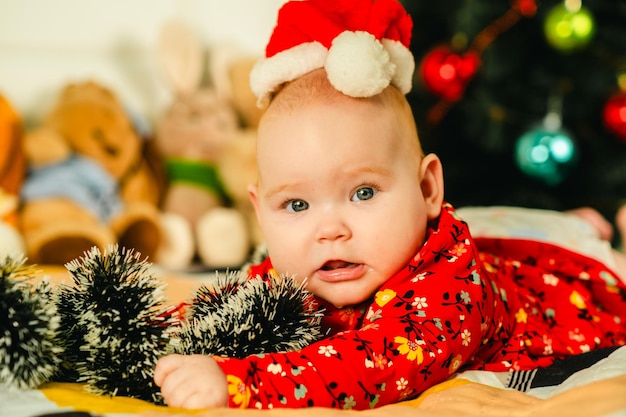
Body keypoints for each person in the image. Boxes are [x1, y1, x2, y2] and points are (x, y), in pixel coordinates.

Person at [153, 0, 626, 410]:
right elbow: (231, 308)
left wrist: (237, 383)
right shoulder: (307, 265)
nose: (330, 229)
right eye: (296, 204)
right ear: (259, 210)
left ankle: (599, 238)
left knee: (597, 262)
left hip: (573, 300)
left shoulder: (449, 300)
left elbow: (372, 367)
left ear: (427, 189)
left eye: (363, 193)